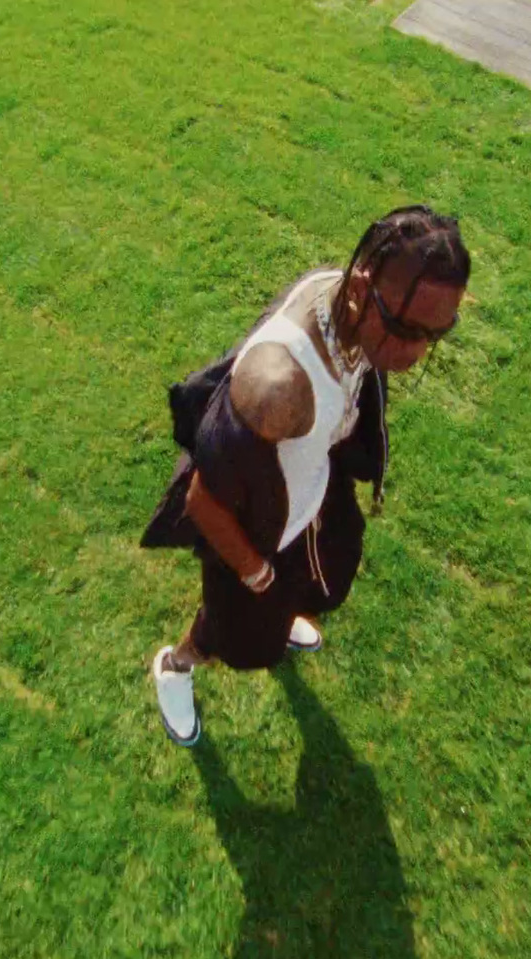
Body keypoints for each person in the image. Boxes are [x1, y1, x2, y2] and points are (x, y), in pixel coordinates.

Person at [139, 205, 471, 745]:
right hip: (253, 537)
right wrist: (255, 574)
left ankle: (279, 609)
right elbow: (203, 499)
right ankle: (176, 666)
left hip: (306, 505)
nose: (416, 353)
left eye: (436, 334)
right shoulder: (278, 387)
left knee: (321, 577)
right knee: (231, 629)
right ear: (364, 286)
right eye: (407, 330)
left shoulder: (342, 299)